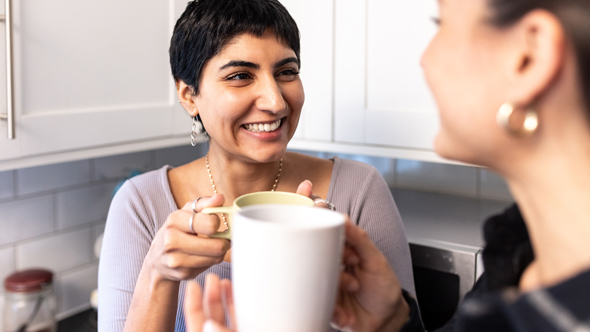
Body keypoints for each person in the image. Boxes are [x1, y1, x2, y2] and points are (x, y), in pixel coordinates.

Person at [183, 0, 590, 330]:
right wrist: (392, 321)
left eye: (441, 24)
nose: (425, 60)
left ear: (529, 57)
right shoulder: (520, 262)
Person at [97, 0, 416, 331]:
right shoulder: (141, 203)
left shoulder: (359, 189)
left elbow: (398, 321)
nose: (276, 101)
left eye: (286, 72)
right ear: (190, 95)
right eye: (240, 76)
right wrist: (158, 274)